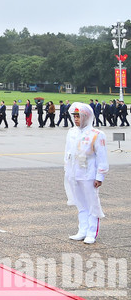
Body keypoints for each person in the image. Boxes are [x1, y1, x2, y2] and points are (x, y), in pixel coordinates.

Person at [64, 103, 108, 245]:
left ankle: (91, 232)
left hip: (89, 174)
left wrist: (100, 176)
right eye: (75, 116)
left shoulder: (97, 134)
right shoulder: (72, 132)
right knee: (81, 204)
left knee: (92, 204)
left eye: (79, 116)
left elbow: (102, 157)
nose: (76, 119)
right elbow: (67, 153)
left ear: (87, 117)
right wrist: (67, 171)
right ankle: (82, 230)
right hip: (74, 173)